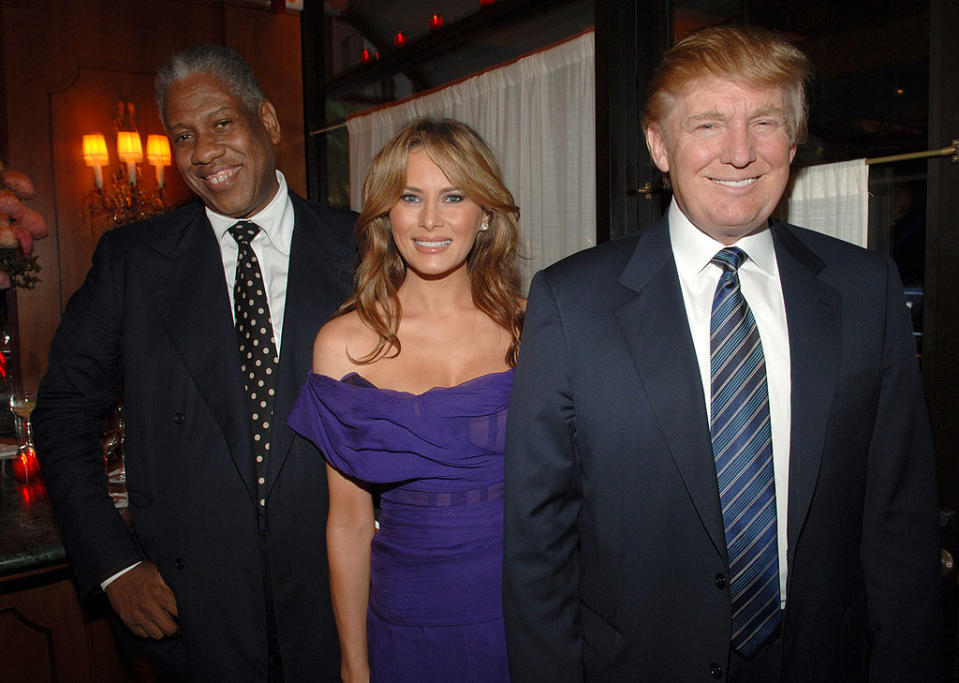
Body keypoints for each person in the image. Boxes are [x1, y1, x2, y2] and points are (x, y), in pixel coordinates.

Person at [503, 24, 941, 682]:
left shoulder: (863, 288)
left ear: (791, 142)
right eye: (707, 123)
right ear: (658, 144)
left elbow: (898, 519)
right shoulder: (572, 303)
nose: (739, 152)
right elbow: (538, 541)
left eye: (763, 122)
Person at [33, 44, 355, 681]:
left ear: (266, 121)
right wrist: (113, 563)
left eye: (221, 123)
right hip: (191, 609)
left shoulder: (364, 245)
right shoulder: (131, 261)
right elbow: (64, 413)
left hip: (340, 599)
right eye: (183, 134)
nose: (204, 151)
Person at [288, 118, 522, 682]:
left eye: (454, 196)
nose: (431, 220)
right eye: (410, 197)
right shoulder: (342, 344)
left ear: (485, 214)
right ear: (386, 214)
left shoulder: (529, 330)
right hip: (406, 621)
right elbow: (347, 522)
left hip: (524, 612)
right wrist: (353, 665)